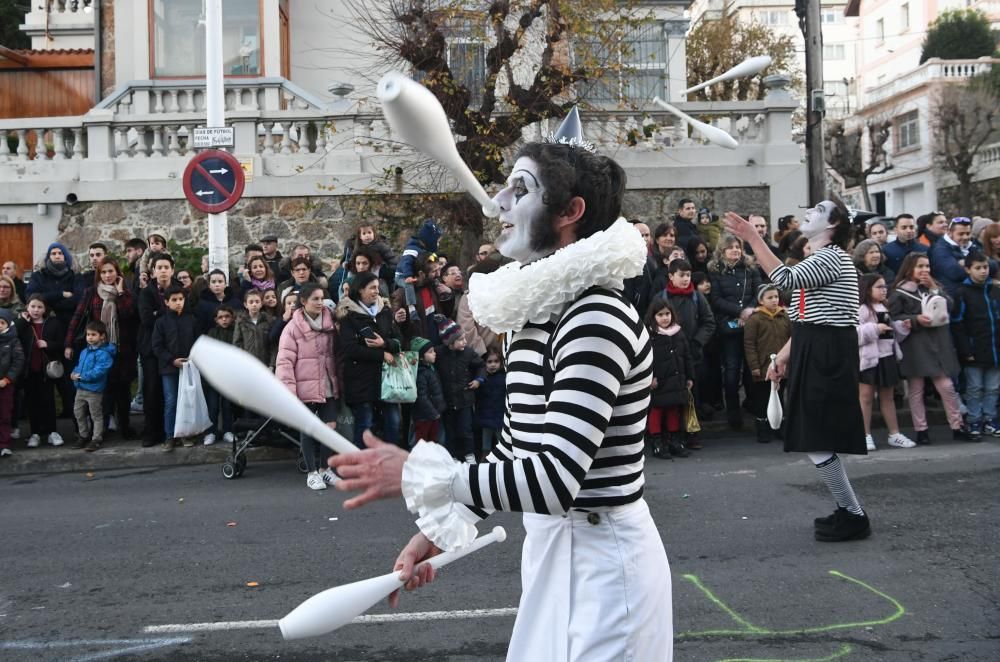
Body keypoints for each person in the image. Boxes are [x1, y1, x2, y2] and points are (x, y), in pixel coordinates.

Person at [330, 132, 673, 660]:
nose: (501, 202)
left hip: (606, 571)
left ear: (570, 212)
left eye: (521, 188)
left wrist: (424, 477)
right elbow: (517, 448)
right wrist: (448, 526)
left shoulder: (595, 317)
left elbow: (555, 478)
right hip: (554, 554)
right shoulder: (535, 313)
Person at [725, 199, 872, 543]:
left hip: (829, 353)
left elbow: (784, 280)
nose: (809, 211)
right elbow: (807, 320)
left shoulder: (831, 257)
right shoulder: (819, 259)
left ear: (833, 224)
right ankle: (848, 510)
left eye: (819, 210)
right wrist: (783, 358)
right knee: (814, 436)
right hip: (817, 347)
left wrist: (752, 238)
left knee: (816, 438)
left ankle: (853, 514)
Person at [887, 253, 968, 444]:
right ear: (909, 269)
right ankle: (921, 430)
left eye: (927, 266)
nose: (925, 270)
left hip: (939, 344)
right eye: (920, 266)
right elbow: (893, 317)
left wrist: (933, 288)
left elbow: (950, 306)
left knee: (946, 386)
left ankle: (957, 426)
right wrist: (915, 319)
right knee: (916, 389)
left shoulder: (933, 287)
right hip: (916, 346)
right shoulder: (900, 293)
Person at [63, 257, 138, 441]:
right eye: (103, 272)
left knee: (123, 390)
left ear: (117, 272)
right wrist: (68, 343)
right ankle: (101, 428)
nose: (107, 275)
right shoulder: (91, 293)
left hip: (121, 348)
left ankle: (125, 426)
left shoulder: (126, 293)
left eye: (111, 271)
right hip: (98, 350)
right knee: (102, 391)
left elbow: (128, 314)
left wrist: (120, 293)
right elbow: (78, 317)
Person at [276, 283, 341, 490]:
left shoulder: (331, 325)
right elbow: (284, 362)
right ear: (303, 302)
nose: (320, 302)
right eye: (315, 299)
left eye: (322, 298)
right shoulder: (292, 328)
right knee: (308, 429)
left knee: (330, 427)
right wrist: (289, 393)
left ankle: (325, 470)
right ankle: (312, 473)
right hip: (304, 387)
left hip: (327, 384)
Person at [336, 272, 403, 448]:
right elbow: (350, 349)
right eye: (372, 287)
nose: (376, 291)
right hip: (360, 379)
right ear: (360, 290)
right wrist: (381, 355)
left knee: (393, 422)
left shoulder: (385, 311)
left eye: (377, 287)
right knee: (364, 425)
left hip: (387, 379)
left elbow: (400, 341)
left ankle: (390, 464)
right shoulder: (348, 316)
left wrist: (385, 343)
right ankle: (361, 468)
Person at [708, 234, 762, 429]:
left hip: (751, 326)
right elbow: (716, 299)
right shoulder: (715, 271)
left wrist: (749, 311)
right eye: (730, 247)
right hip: (729, 327)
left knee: (752, 369)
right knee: (731, 371)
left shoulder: (751, 268)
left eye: (737, 247)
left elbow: (759, 293)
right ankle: (733, 413)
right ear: (722, 251)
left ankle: (754, 408)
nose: (735, 250)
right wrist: (739, 312)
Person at [856, 274, 913, 451]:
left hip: (887, 355)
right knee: (865, 397)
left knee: (887, 396)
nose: (884, 290)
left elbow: (892, 333)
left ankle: (894, 433)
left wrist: (902, 327)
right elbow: (853, 334)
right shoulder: (861, 309)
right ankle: (864, 434)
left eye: (884, 286)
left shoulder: (884, 306)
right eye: (879, 287)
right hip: (869, 358)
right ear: (868, 289)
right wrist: (875, 328)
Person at [25, 242, 81, 414]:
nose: (57, 256)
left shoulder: (74, 276)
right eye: (53, 253)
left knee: (67, 371)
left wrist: (49, 301)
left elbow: (77, 299)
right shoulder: (39, 276)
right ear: (48, 256)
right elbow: (32, 297)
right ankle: (44, 422)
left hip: (68, 328)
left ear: (66, 257)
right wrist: (61, 294)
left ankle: (71, 411)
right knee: (43, 372)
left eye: (60, 253)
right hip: (44, 328)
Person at [950, 252, 1000, 439]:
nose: (982, 272)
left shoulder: (995, 291)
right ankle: (974, 420)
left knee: (993, 387)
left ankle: (990, 419)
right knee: (974, 388)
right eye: (978, 268)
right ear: (968, 269)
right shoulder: (962, 292)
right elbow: (957, 324)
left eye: (985, 267)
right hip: (973, 349)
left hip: (995, 348)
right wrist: (965, 350)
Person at [645, 299, 694, 460]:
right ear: (653, 317)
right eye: (660, 315)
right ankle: (657, 442)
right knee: (657, 410)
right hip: (659, 381)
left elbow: (687, 356)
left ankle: (674, 440)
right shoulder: (650, 335)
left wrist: (689, 376)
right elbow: (645, 360)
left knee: (674, 409)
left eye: (667, 314)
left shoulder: (678, 333)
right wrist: (649, 378)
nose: (665, 318)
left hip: (677, 379)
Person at [742, 284, 791, 444]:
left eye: (776, 297)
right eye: (770, 298)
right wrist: (754, 366)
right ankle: (762, 427)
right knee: (763, 398)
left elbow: (792, 339)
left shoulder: (784, 317)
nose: (774, 300)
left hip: (782, 367)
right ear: (761, 300)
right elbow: (749, 344)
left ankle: (779, 426)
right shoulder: (754, 319)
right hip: (763, 366)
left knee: (779, 394)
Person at [151, 285, 198, 452]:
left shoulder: (191, 319)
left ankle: (186, 434)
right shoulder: (161, 322)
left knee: (187, 401)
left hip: (189, 367)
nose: (178, 303)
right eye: (174, 300)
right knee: (171, 401)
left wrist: (192, 359)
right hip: (169, 369)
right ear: (166, 302)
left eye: (181, 299)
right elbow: (157, 346)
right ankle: (170, 436)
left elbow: (197, 342)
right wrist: (171, 360)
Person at [137, 253, 177, 448]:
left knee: (173, 393)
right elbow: (146, 319)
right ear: (152, 272)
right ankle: (151, 431)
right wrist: (167, 312)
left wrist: (158, 312)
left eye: (165, 267)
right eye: (158, 268)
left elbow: (182, 313)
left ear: (172, 269)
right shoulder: (146, 293)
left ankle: (174, 431)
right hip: (151, 349)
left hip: (175, 348)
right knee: (152, 390)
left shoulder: (179, 290)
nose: (162, 271)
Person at [15, 295, 65, 448]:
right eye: (33, 307)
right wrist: (23, 320)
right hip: (29, 370)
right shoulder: (23, 324)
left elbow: (61, 344)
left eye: (39, 307)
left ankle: (52, 432)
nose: (36, 310)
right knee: (32, 402)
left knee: (48, 401)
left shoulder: (53, 323)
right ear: (27, 308)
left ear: (45, 309)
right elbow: (13, 335)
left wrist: (48, 344)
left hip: (46, 371)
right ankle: (35, 433)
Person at [434, 317, 484, 463]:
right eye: (461, 339)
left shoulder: (468, 353)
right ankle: (453, 456)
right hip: (447, 400)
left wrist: (478, 380)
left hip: (465, 399)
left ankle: (469, 454)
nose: (465, 342)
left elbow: (480, 366)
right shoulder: (439, 353)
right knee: (450, 430)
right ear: (450, 343)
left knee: (466, 429)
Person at [69, 320, 116, 452]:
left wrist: (83, 376)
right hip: (80, 388)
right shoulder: (85, 351)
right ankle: (83, 435)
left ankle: (96, 438)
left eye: (93, 334)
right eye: (88, 334)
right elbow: (79, 365)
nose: (89, 337)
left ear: (102, 336)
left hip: (94, 390)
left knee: (96, 415)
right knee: (78, 413)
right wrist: (74, 373)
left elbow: (100, 371)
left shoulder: (105, 354)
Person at [202, 305, 236, 446]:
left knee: (228, 405)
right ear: (216, 319)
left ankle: (228, 430)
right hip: (214, 376)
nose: (224, 320)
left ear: (232, 318)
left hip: (229, 375)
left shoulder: (236, 332)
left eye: (227, 316)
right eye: (220, 317)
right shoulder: (212, 333)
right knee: (213, 405)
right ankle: (211, 432)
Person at [395, 219, 443, 318]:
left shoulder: (423, 250)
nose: (438, 244)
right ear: (430, 240)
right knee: (409, 286)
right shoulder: (412, 249)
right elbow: (406, 263)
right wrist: (408, 276)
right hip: (402, 276)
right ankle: (412, 308)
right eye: (437, 241)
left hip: (411, 275)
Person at [410, 336, 445, 445]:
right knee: (422, 442)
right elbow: (422, 397)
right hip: (424, 416)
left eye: (433, 350)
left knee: (432, 441)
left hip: (433, 414)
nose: (434, 353)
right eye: (430, 352)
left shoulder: (430, 369)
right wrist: (433, 413)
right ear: (421, 357)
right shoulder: (421, 374)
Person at [0, 308, 25, 457]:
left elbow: (18, 360)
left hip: (5, 385)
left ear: (8, 325)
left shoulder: (13, 340)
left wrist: (7, 379)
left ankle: (4, 444)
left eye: (2, 323)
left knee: (4, 415)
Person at [929, 216, 973, 296]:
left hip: (968, 295)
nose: (966, 237)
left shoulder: (971, 246)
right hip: (952, 296)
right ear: (949, 233)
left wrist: (966, 263)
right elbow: (956, 273)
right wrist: (975, 265)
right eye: (961, 234)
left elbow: (992, 265)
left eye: (968, 233)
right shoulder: (940, 249)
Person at [476, 345, 505, 458]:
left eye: (496, 361)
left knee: (500, 439)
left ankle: (501, 456)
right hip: (485, 413)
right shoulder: (482, 379)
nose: (493, 364)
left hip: (500, 414)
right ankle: (485, 457)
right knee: (486, 439)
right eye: (489, 362)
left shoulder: (504, 377)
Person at [232, 289, 273, 366]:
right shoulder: (241, 321)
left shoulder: (268, 320)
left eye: (257, 302)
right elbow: (237, 343)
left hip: (265, 362)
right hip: (248, 363)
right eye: (251, 302)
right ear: (245, 305)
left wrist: (272, 364)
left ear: (261, 303)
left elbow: (273, 345)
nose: (254, 304)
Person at [195, 269, 241, 334]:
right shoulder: (202, 304)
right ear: (209, 285)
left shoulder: (235, 302)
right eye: (213, 282)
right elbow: (200, 327)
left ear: (225, 284)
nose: (217, 285)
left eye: (220, 281)